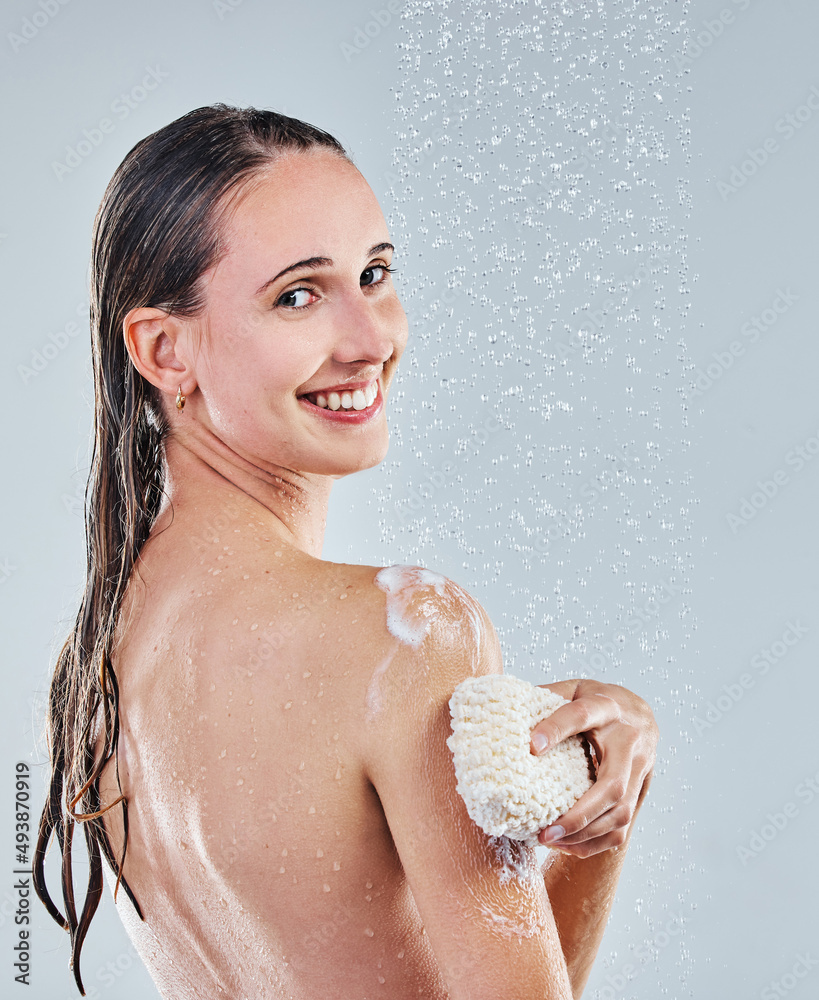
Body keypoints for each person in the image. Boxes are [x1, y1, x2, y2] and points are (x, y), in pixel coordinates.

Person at [33, 104, 659, 999]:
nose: (371, 342)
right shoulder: (406, 634)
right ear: (164, 350)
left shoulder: (100, 656)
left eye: (373, 275)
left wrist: (594, 819)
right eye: (297, 294)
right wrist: (612, 808)